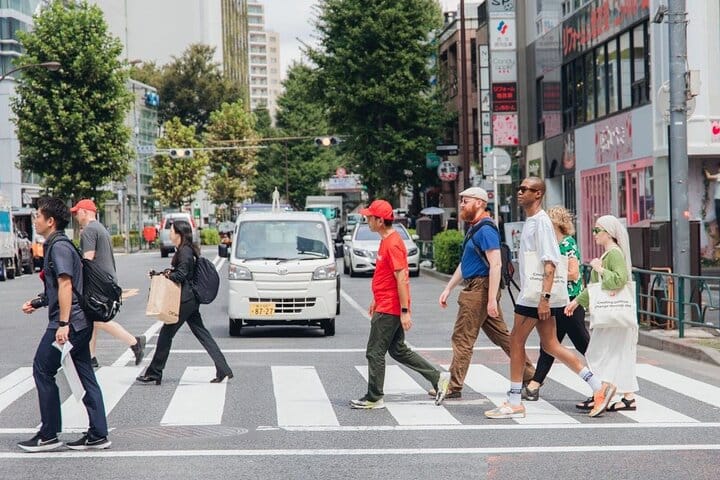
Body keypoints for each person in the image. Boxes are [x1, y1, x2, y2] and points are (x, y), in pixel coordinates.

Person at [484, 177, 616, 419]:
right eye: (520, 188)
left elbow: (551, 262)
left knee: (515, 341)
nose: (520, 192)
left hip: (535, 295)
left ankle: (514, 400)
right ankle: (599, 386)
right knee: (551, 345)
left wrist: (544, 298)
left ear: (538, 194)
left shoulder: (542, 223)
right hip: (537, 292)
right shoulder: (534, 221)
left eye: (526, 189)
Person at [19, 197, 111, 452]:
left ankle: (48, 434)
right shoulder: (60, 245)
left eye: (38, 215)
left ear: (50, 221)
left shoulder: (58, 247)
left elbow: (66, 284)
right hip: (80, 323)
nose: (34, 220)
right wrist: (38, 302)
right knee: (85, 374)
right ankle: (98, 433)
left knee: (42, 368)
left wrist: (63, 324)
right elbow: (57, 288)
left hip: (70, 323)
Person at [435, 187, 535, 400]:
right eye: (461, 201)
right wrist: (448, 287)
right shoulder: (475, 228)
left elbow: (496, 264)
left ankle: (453, 386)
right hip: (479, 288)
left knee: (462, 338)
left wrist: (491, 299)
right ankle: (531, 376)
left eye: (466, 201)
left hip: (479, 290)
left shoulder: (486, 229)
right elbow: (466, 263)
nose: (462, 205)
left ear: (479, 203)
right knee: (505, 338)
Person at [350, 200, 451, 409]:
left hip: (390, 307)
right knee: (397, 349)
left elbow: (402, 278)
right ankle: (437, 377)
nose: (367, 220)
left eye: (370, 217)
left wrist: (405, 311)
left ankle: (374, 397)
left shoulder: (393, 243)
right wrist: (375, 299)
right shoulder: (386, 240)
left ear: (379, 220)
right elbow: (385, 276)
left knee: (374, 352)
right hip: (385, 303)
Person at [137, 220, 233, 385]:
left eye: (172, 231)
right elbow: (182, 272)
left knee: (166, 334)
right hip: (190, 299)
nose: (170, 234)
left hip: (185, 299)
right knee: (202, 333)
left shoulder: (185, 251)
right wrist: (163, 273)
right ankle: (223, 369)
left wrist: (167, 275)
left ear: (179, 234)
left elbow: (181, 275)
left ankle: (154, 372)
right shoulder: (184, 250)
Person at [565, 215, 638, 412]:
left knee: (597, 353)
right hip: (614, 315)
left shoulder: (613, 254)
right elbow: (597, 288)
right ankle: (628, 397)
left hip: (613, 316)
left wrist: (599, 269)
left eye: (597, 230)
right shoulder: (608, 254)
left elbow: (619, 280)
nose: (594, 234)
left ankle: (600, 391)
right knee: (617, 354)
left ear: (609, 233)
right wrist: (577, 301)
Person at [522, 206, 589, 401]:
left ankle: (603, 382)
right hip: (554, 302)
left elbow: (574, 273)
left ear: (555, 224)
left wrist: (550, 275)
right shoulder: (548, 244)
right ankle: (534, 385)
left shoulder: (568, 243)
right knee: (549, 344)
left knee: (583, 344)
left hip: (570, 304)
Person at [71, 199, 145, 368]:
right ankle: (91, 356)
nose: (75, 215)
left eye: (77, 212)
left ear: (85, 211)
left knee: (98, 317)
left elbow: (87, 259)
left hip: (97, 282)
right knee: (92, 316)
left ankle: (134, 342)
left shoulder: (89, 230)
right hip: (106, 279)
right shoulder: (100, 228)